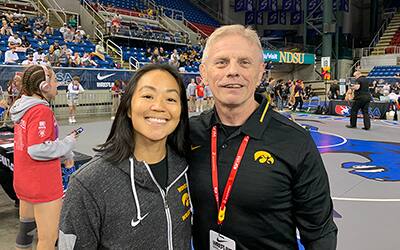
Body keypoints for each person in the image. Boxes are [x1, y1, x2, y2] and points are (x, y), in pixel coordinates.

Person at [188, 25, 337, 250]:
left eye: (244, 62)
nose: (232, 71)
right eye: (221, 62)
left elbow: (320, 233)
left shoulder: (295, 141)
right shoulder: (187, 133)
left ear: (260, 73)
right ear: (204, 73)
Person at [59, 64, 191, 249]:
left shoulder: (186, 167)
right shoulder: (88, 183)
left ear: (181, 111)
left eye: (170, 98)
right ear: (128, 107)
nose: (159, 106)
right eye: (147, 96)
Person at [9, 65, 78, 249]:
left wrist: (63, 151)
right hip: (42, 182)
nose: (58, 84)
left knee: (26, 230)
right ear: (44, 86)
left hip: (24, 179)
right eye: (55, 80)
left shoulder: (22, 108)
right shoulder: (41, 111)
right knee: (48, 239)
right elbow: (37, 149)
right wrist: (68, 143)